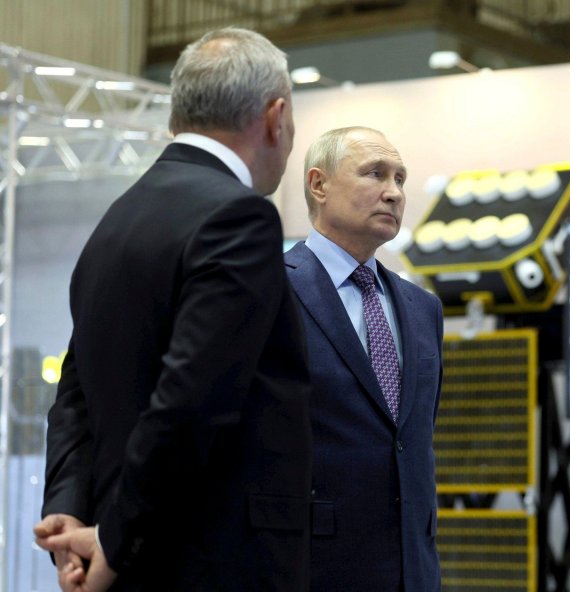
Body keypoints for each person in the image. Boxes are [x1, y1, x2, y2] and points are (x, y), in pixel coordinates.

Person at [33, 27, 312, 592]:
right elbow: (191, 402)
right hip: (210, 560)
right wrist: (113, 539)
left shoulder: (115, 222)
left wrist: (70, 513)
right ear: (275, 117)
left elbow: (75, 394)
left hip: (129, 556)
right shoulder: (240, 218)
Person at [284, 126, 443, 591]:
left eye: (400, 179)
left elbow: (412, 440)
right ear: (319, 185)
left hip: (412, 570)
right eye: (375, 174)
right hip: (312, 567)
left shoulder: (422, 308)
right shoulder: (268, 292)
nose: (394, 193)